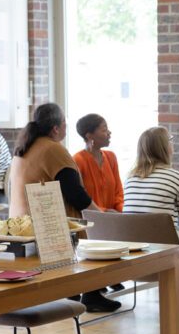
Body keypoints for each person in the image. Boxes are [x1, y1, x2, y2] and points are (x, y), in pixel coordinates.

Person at [9, 103, 120, 313]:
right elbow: (74, 192)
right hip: (43, 222)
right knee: (89, 228)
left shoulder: (24, 146)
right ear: (55, 129)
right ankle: (91, 293)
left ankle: (83, 290)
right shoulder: (53, 149)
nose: (66, 128)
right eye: (64, 124)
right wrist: (99, 214)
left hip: (18, 220)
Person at [123, 126, 179, 316]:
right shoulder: (177, 177)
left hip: (133, 249)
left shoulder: (129, 178)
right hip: (163, 251)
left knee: (175, 233)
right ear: (165, 147)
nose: (173, 143)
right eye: (170, 140)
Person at [73, 113, 124, 212]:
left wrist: (123, 211)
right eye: (104, 130)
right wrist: (104, 212)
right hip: (91, 221)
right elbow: (79, 198)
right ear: (89, 136)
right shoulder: (77, 160)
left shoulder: (111, 157)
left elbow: (119, 192)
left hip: (114, 219)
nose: (109, 132)